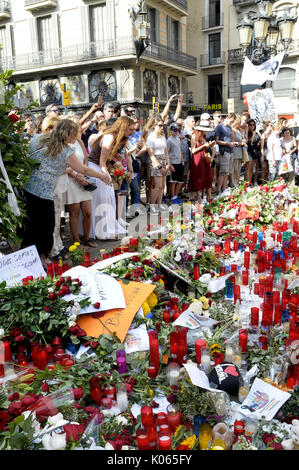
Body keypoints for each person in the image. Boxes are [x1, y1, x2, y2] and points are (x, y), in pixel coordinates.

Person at [20, 119, 108, 267]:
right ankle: (42, 259)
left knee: (31, 226)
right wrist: (102, 176)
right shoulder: (65, 149)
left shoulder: (37, 139)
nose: (75, 138)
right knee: (46, 227)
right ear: (67, 134)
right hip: (44, 192)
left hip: (28, 188)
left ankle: (25, 258)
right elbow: (83, 169)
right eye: (74, 135)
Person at [87, 116, 135, 239]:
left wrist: (115, 161)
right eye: (130, 129)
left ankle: (106, 228)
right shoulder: (109, 137)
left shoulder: (116, 138)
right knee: (103, 198)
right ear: (123, 127)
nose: (132, 132)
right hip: (96, 167)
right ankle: (102, 230)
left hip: (101, 167)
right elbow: (102, 160)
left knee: (108, 198)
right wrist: (105, 175)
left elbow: (107, 159)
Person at [146, 116, 173, 213]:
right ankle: (152, 206)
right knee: (157, 186)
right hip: (156, 162)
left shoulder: (163, 137)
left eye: (163, 125)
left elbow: (166, 152)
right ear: (154, 125)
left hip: (164, 161)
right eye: (160, 125)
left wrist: (168, 164)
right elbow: (151, 155)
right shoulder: (150, 138)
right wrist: (160, 166)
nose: (162, 128)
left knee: (162, 186)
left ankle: (159, 204)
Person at [215, 113, 236, 195]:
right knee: (223, 172)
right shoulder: (219, 127)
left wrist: (234, 143)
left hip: (230, 151)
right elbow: (216, 140)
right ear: (227, 118)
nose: (231, 123)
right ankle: (218, 190)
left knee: (227, 172)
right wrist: (227, 143)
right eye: (231, 121)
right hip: (223, 151)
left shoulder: (230, 127)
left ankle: (224, 189)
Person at [167, 122, 185, 205]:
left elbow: (180, 150)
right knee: (173, 181)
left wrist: (182, 161)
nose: (176, 131)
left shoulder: (178, 138)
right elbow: (167, 152)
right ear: (170, 131)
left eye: (177, 130)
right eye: (174, 130)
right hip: (173, 162)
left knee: (180, 181)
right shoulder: (169, 140)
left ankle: (175, 196)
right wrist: (169, 164)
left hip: (179, 162)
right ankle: (172, 197)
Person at [231, 115, 247, 187]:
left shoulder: (239, 130)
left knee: (238, 170)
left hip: (240, 152)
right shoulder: (233, 130)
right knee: (234, 170)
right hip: (234, 152)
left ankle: (236, 184)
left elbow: (243, 140)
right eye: (240, 122)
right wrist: (241, 143)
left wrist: (244, 143)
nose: (241, 123)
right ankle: (233, 185)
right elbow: (233, 142)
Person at [246, 119, 261, 185]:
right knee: (249, 168)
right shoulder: (247, 133)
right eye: (250, 125)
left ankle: (254, 181)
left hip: (256, 152)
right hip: (249, 151)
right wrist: (253, 134)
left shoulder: (256, 133)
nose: (252, 126)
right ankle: (248, 182)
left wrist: (257, 133)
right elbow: (250, 142)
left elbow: (260, 139)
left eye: (253, 125)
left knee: (256, 168)